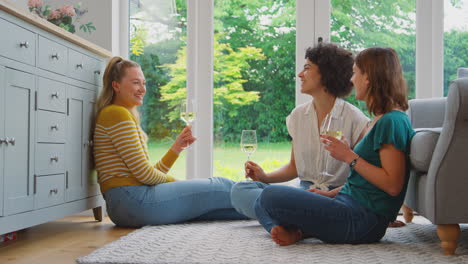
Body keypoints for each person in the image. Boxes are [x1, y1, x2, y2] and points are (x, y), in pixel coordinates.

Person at [253, 47, 415, 246]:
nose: (351, 80)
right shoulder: (379, 120)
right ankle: (299, 232)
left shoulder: (392, 121)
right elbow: (362, 183)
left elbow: (392, 185)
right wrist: (327, 194)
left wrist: (349, 157)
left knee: (270, 196)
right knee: (261, 200)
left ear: (368, 78)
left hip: (363, 220)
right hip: (348, 205)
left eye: (355, 73)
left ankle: (300, 230)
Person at [93, 56, 248, 227]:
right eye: (136, 83)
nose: (143, 89)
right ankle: (276, 196)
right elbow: (145, 175)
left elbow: (145, 175)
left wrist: (176, 149)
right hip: (131, 201)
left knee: (229, 209)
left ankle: (275, 211)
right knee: (221, 185)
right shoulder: (116, 113)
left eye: (144, 83)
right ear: (116, 86)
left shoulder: (121, 115)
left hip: (128, 205)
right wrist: (177, 183)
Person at [230, 43, 369, 220]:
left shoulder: (355, 119)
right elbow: (294, 168)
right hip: (303, 193)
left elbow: (364, 176)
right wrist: (264, 177)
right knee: (240, 190)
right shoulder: (298, 116)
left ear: (326, 74)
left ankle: (282, 220)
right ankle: (292, 220)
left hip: (336, 198)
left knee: (273, 201)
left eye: (307, 68)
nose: (300, 74)